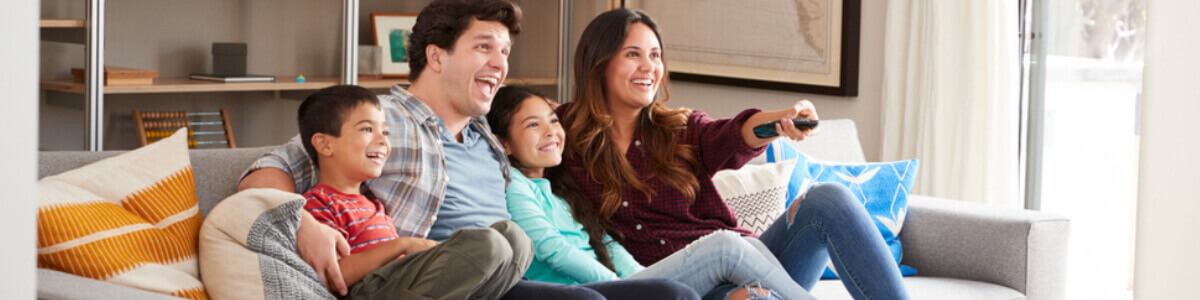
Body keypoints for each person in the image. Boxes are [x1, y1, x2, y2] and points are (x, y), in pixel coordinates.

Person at [239, 1, 697, 299]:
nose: (501, 65)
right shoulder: (383, 118)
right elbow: (269, 168)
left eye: (505, 51)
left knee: (673, 295)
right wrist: (300, 222)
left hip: (512, 273)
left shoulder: (490, 135)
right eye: (484, 48)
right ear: (437, 57)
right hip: (439, 278)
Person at [555, 9, 912, 300]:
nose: (649, 67)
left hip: (750, 259)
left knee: (828, 199)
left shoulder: (678, 130)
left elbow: (734, 134)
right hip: (684, 287)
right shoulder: (561, 135)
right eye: (633, 54)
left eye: (655, 55)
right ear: (599, 62)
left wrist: (782, 120)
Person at [487, 85, 813, 300]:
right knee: (727, 246)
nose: (551, 132)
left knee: (747, 253)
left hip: (618, 284)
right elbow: (554, 250)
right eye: (533, 125)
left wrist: (643, 279)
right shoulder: (515, 187)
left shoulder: (558, 190)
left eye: (553, 120)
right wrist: (618, 284)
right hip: (592, 292)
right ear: (504, 142)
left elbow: (607, 243)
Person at [294, 85, 527, 299]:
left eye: (385, 132)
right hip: (371, 291)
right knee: (487, 243)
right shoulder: (318, 202)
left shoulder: (373, 202)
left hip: (403, 280)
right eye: (367, 129)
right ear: (325, 144)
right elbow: (337, 277)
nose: (383, 141)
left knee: (514, 237)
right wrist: (401, 245)